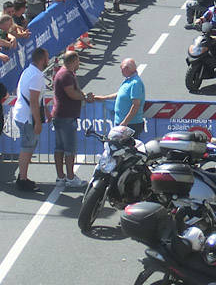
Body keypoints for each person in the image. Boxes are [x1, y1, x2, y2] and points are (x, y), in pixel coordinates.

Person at [51, 50, 88, 190]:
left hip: (61, 115)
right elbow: (71, 93)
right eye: (78, 61)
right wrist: (84, 97)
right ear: (73, 61)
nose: (79, 63)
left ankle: (61, 177)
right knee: (69, 149)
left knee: (60, 148)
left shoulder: (65, 73)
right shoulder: (66, 75)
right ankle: (71, 177)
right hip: (66, 116)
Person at [14, 48, 49, 192]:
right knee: (27, 148)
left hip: (22, 114)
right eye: (47, 58)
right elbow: (34, 101)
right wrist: (38, 122)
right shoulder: (37, 76)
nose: (48, 60)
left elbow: (36, 99)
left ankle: (22, 176)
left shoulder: (29, 71)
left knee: (27, 147)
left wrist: (46, 112)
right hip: (27, 117)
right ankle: (22, 179)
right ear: (42, 60)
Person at [90, 58, 146, 137]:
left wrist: (124, 123)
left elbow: (136, 105)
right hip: (123, 123)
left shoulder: (135, 83)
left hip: (131, 124)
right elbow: (120, 94)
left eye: (121, 68)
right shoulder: (128, 80)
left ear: (127, 68)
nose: (121, 70)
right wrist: (103, 98)